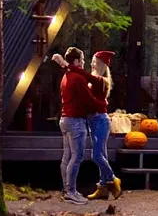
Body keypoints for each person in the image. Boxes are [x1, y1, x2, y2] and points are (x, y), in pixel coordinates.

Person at [54, 50, 123, 201]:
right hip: (91, 120)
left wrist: (65, 64)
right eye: (91, 60)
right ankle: (103, 187)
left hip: (100, 120)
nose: (91, 64)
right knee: (101, 154)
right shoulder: (87, 78)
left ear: (102, 65)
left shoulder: (102, 80)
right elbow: (82, 78)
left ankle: (113, 179)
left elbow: (87, 88)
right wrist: (67, 66)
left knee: (96, 155)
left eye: (95, 62)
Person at [58, 47, 107, 205]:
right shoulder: (78, 78)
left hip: (65, 119)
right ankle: (71, 192)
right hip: (75, 121)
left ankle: (66, 190)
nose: (84, 63)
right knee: (77, 157)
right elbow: (89, 100)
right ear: (76, 61)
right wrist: (103, 104)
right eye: (82, 60)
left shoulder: (66, 76)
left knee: (67, 156)